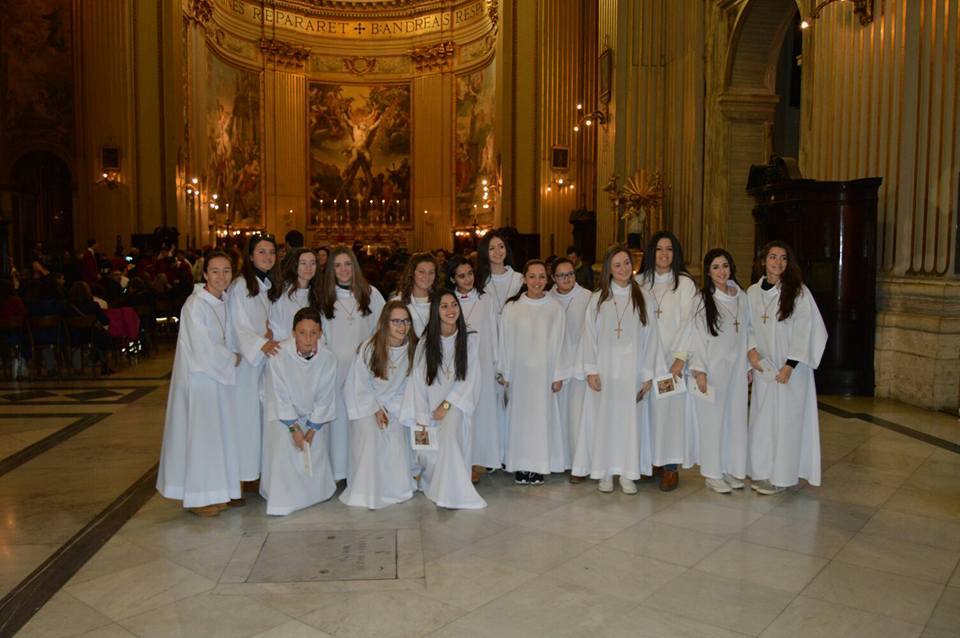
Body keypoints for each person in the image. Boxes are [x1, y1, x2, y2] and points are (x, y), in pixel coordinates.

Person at [157, 251, 242, 516]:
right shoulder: (195, 305)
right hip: (200, 381)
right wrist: (231, 358)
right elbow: (202, 348)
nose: (221, 276)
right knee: (202, 439)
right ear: (204, 274)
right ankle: (197, 498)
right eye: (215, 271)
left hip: (219, 382)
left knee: (218, 437)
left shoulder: (224, 301)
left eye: (226, 271)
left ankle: (217, 491)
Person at [572, 245, 662, 494]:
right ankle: (605, 471)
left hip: (632, 371)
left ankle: (627, 473)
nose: (623, 269)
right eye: (617, 265)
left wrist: (647, 373)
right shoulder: (598, 298)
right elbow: (589, 336)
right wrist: (590, 370)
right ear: (609, 269)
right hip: (605, 370)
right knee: (605, 421)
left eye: (626, 263)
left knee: (629, 422)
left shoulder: (644, 296)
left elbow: (651, 337)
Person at [746, 241, 827, 494]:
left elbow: (807, 330)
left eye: (783, 258)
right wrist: (750, 352)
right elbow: (747, 326)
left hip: (791, 370)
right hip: (764, 367)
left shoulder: (799, 292)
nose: (777, 262)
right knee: (763, 420)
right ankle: (761, 471)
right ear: (763, 261)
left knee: (786, 423)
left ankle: (782, 477)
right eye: (772, 257)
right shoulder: (752, 292)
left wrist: (790, 365)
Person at [400, 291, 485, 509]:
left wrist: (447, 405)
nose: (450, 310)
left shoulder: (471, 339)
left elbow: (470, 379)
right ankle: (436, 485)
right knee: (431, 449)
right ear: (436, 312)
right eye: (444, 306)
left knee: (449, 435)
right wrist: (421, 414)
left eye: (454, 305)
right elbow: (417, 381)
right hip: (430, 407)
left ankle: (453, 492)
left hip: (457, 406)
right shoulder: (426, 342)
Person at [260, 307, 338, 515]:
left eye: (314, 333)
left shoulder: (328, 358)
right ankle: (284, 498)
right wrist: (294, 429)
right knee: (285, 449)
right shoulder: (278, 355)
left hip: (312, 416)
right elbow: (279, 394)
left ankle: (316, 493)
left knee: (315, 446)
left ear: (320, 334)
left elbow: (325, 395)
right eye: (302, 332)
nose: (308, 338)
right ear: (293, 332)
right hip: (283, 416)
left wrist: (312, 430)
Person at [339, 301, 418, 509]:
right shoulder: (370, 348)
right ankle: (367, 490)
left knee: (395, 431)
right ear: (384, 323)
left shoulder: (413, 350)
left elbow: (409, 386)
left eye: (406, 321)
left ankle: (396, 488)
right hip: (367, 405)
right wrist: (375, 408)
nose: (402, 326)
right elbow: (358, 385)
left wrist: (391, 408)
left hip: (396, 406)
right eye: (396, 321)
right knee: (370, 433)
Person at [317, 245, 386, 481]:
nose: (343, 270)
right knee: (337, 423)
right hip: (334, 369)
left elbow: (382, 327)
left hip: (363, 369)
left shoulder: (370, 293)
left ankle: (361, 470)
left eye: (347, 264)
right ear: (330, 269)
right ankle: (338, 471)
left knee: (361, 420)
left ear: (354, 266)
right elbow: (319, 333)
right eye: (337, 265)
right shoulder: (323, 297)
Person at [637, 231, 698, 491]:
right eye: (660, 249)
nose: (664, 254)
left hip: (671, 362)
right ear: (652, 252)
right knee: (647, 412)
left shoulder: (684, 284)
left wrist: (680, 358)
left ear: (676, 254)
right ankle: (650, 462)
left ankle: (670, 467)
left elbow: (690, 323)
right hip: (646, 361)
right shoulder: (639, 282)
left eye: (669, 249)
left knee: (670, 414)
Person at [498, 260, 568, 485]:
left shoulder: (554, 308)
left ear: (547, 280)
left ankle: (538, 466)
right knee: (520, 420)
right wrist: (505, 371)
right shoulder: (512, 307)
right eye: (532, 276)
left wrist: (558, 374)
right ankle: (520, 465)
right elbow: (505, 341)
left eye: (541, 277)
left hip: (544, 375)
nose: (537, 281)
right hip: (519, 374)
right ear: (524, 279)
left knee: (540, 419)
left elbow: (560, 342)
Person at [686, 249, 750, 493]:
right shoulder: (702, 300)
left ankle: (731, 468)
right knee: (713, 421)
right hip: (713, 368)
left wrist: (747, 361)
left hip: (736, 369)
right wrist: (699, 370)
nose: (722, 271)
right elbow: (697, 337)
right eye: (716, 267)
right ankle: (713, 472)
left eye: (725, 265)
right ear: (708, 272)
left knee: (734, 419)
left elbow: (747, 331)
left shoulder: (741, 296)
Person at [227, 234, 281, 492]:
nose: (267, 257)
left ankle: (255, 473)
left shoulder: (268, 286)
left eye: (271, 252)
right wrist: (261, 343)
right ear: (250, 256)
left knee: (259, 419)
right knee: (245, 420)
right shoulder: (240, 286)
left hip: (262, 363)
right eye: (261, 252)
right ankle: (239, 477)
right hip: (247, 365)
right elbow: (239, 326)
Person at [446, 255, 499, 482]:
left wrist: (498, 363)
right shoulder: (449, 302)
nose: (467, 279)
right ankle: (460, 460)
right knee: (460, 410)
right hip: (458, 363)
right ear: (452, 278)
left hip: (484, 362)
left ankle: (480, 458)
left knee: (483, 411)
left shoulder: (486, 299)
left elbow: (496, 331)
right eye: (461, 275)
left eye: (469, 274)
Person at [549, 257, 593, 481]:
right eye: (561, 275)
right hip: (555, 365)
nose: (567, 279)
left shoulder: (587, 298)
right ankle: (560, 461)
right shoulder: (547, 299)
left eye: (570, 274)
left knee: (576, 417)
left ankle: (580, 465)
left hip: (578, 364)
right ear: (553, 278)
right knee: (558, 417)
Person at [268, 248, 319, 341]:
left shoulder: (318, 293)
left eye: (313, 263)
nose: (308, 268)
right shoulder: (281, 292)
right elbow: (274, 325)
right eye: (303, 263)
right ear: (295, 265)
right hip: (283, 347)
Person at [393, 252, 440, 336]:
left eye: (431, 272)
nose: (427, 277)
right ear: (411, 273)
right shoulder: (397, 303)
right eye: (421, 272)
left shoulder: (442, 301)